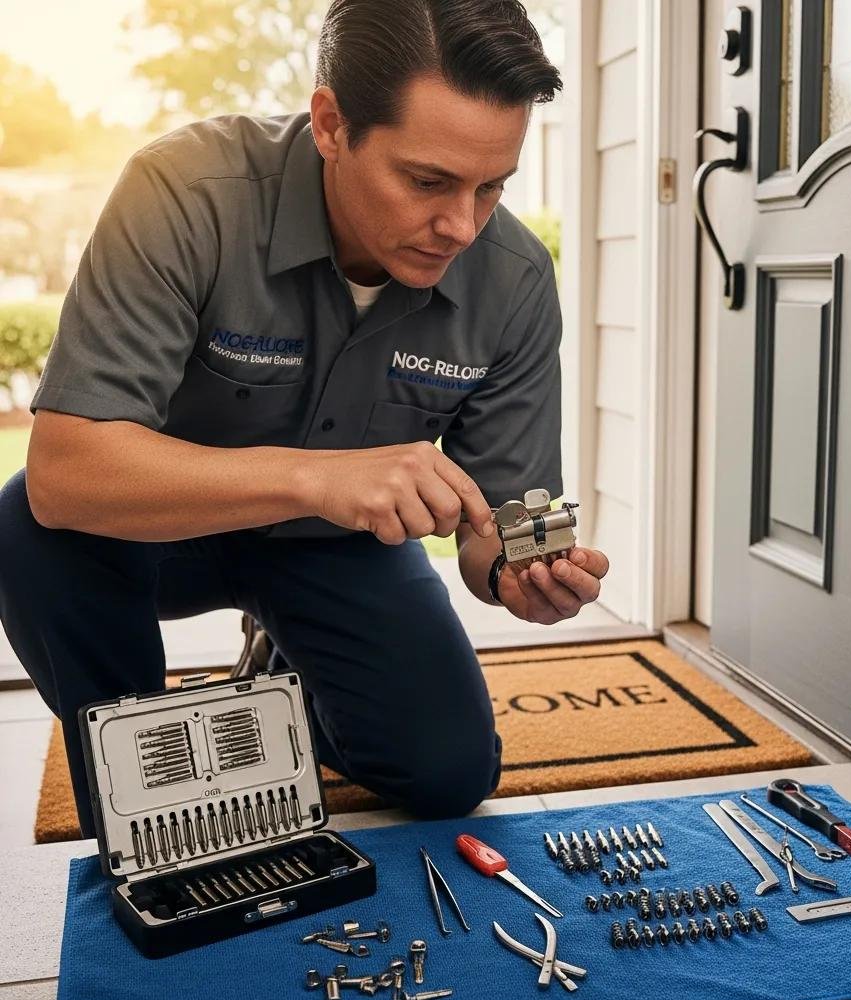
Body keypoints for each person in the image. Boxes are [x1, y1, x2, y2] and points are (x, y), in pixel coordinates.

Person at [0, 0, 610, 838]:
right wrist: (316, 479)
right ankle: (133, 754)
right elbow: (67, 472)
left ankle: (286, 690)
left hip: (336, 551)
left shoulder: (516, 280)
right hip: (158, 532)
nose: (462, 227)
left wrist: (517, 574)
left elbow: (498, 525)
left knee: (448, 773)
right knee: (25, 525)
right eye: (427, 181)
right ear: (330, 124)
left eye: (492, 186)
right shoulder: (184, 193)